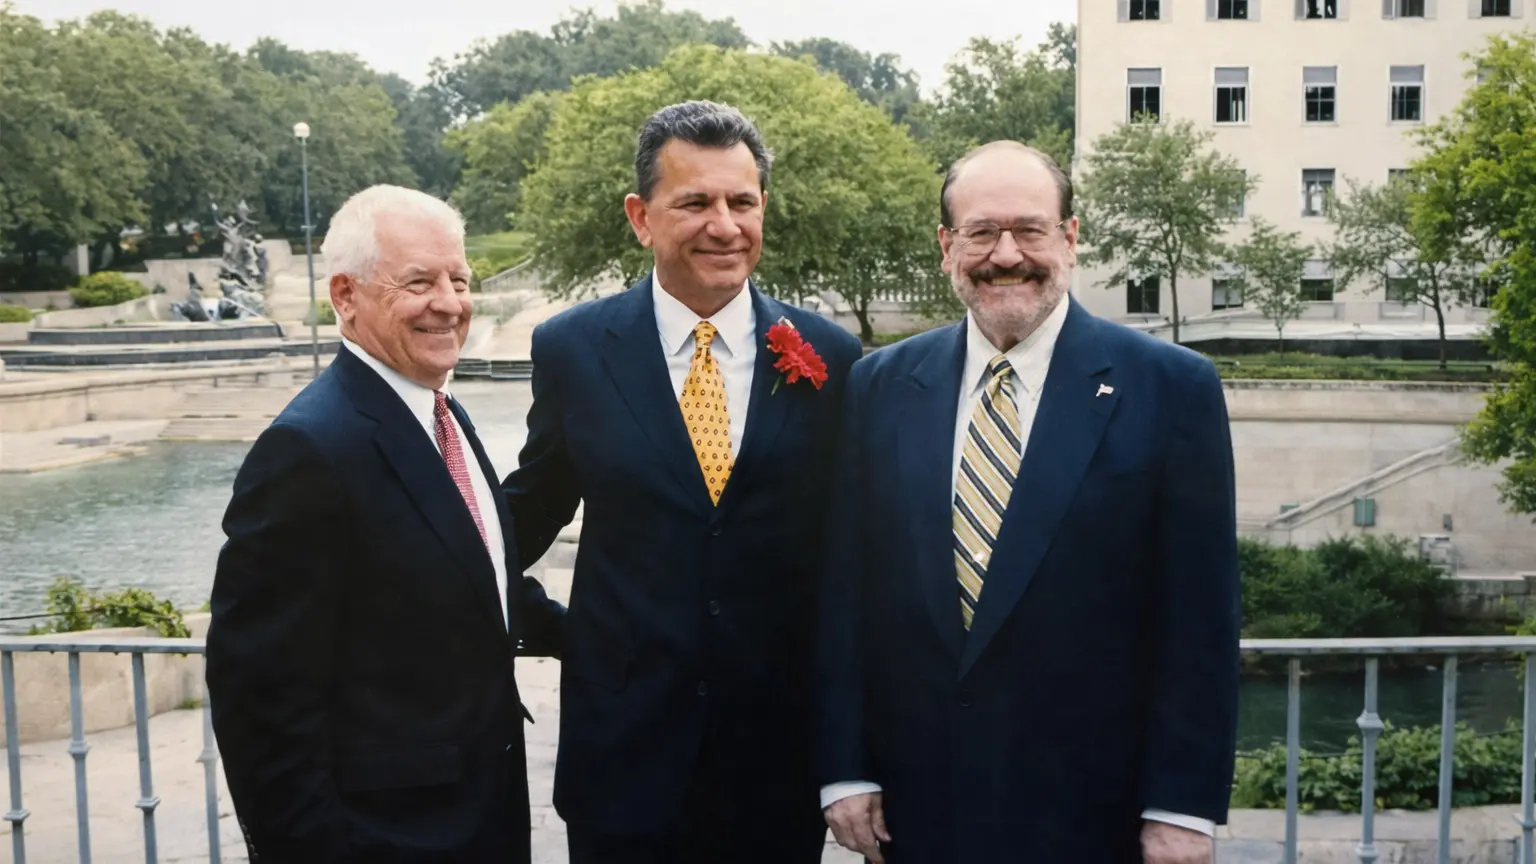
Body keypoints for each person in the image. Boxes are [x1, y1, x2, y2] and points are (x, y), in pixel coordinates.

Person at [816, 140, 1242, 864]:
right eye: (982, 232)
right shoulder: (879, 386)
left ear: (1070, 238)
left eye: (1029, 230)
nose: (1006, 254)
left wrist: (1182, 806)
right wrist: (846, 768)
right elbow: (845, 594)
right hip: (919, 809)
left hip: (1096, 814)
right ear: (947, 247)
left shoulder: (1173, 388)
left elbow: (1200, 616)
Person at [501, 100, 864, 864]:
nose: (723, 226)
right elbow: (523, 516)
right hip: (623, 761)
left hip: (775, 766)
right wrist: (550, 624)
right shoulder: (574, 350)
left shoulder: (830, 356)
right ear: (641, 217)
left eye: (742, 203)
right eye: (695, 202)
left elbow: (857, 558)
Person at [205, 184, 564, 864]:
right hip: (386, 838)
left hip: (481, 817)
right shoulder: (308, 450)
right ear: (345, 296)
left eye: (460, 280)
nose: (450, 303)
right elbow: (260, 701)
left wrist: (605, 637)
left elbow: (474, 576)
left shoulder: (441, 413)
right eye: (419, 282)